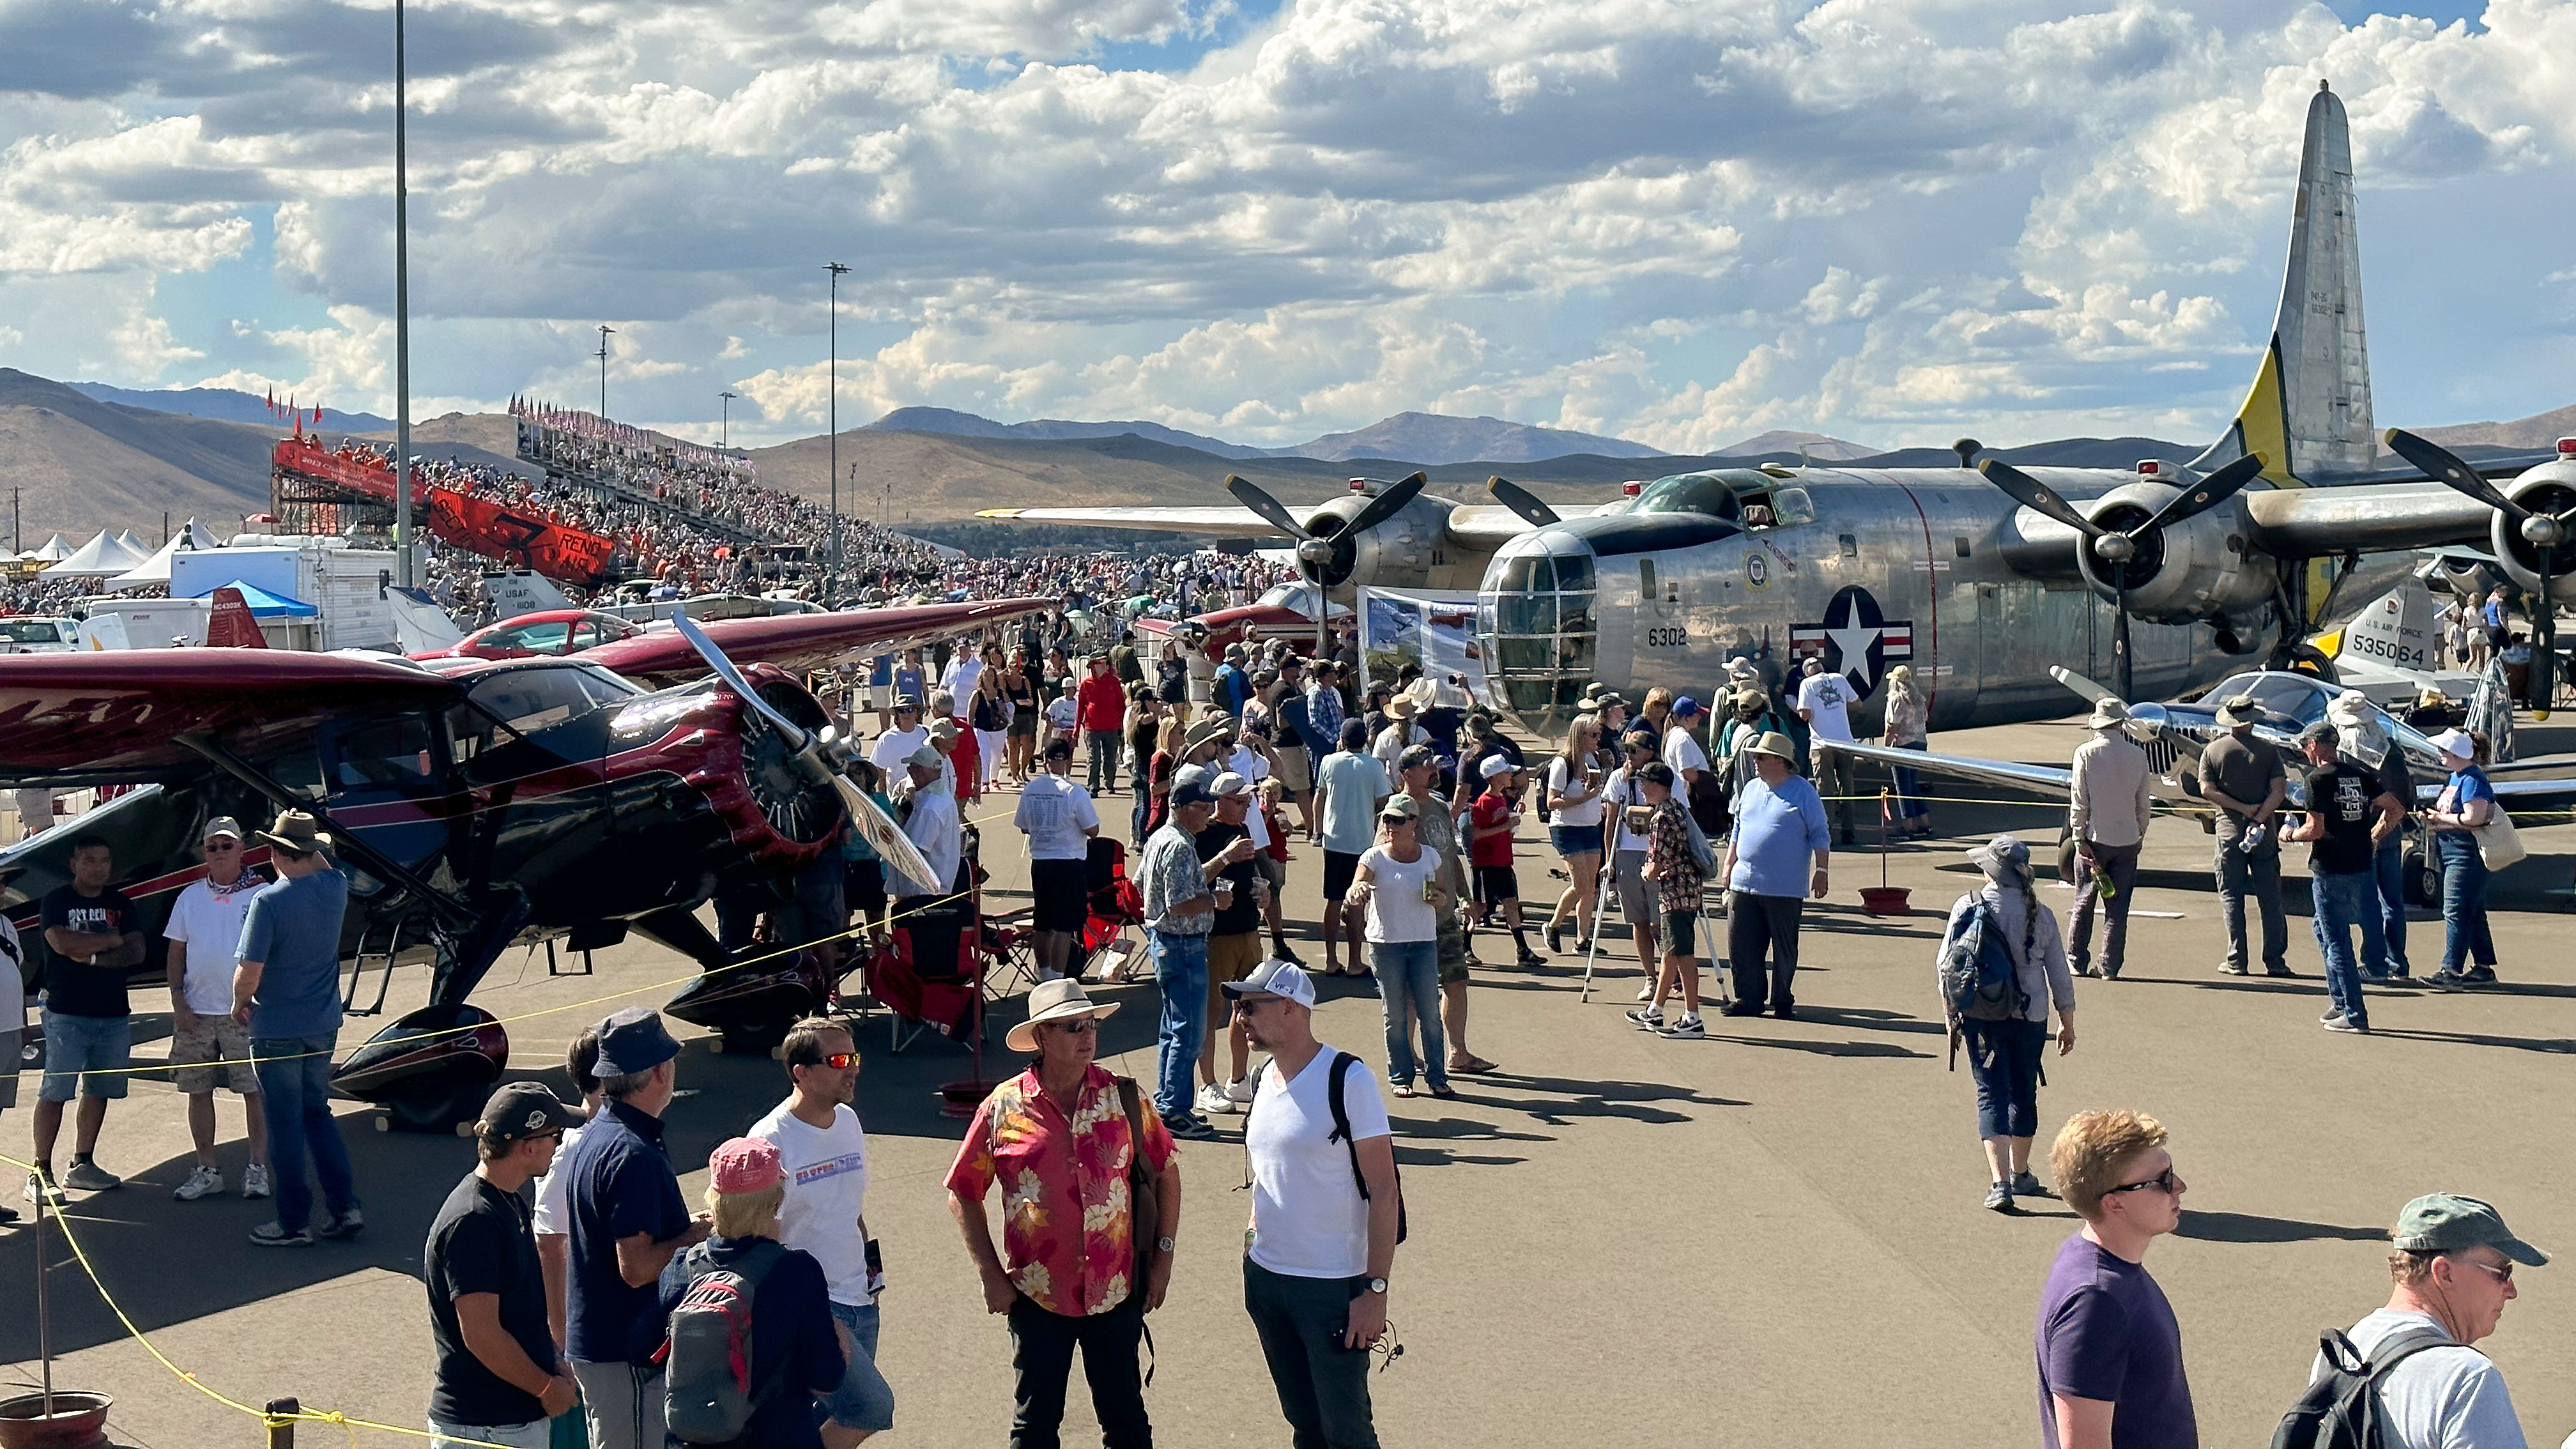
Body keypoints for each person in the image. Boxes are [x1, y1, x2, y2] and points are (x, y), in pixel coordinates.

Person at [944, 979, 1180, 1449]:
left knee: (1127, 1422)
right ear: (1041, 1037)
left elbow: (1167, 1174)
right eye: (1073, 1027)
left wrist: (1162, 1262)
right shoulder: (1003, 1106)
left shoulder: (1125, 1098)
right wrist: (990, 1274)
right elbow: (963, 1191)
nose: (1087, 1035)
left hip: (1116, 1289)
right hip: (1037, 1293)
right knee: (1034, 1426)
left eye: (1090, 1024)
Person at [1227, 960, 1400, 1449]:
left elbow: (1385, 1191)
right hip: (1267, 1280)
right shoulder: (1262, 1079)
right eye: (1240, 1007)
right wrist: (1250, 1248)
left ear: (1290, 1008)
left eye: (1250, 1006)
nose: (1241, 1018)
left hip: (1331, 1290)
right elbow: (1266, 1174)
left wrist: (1376, 1291)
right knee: (1304, 1423)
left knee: (1346, 1432)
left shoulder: (1348, 1079)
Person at [561, 1008, 712, 1449]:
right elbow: (638, 1266)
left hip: (606, 1342)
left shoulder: (602, 1133)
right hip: (624, 1349)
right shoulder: (632, 1153)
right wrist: (693, 1237)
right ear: (662, 1072)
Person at [2301, 1193, 2547, 1449]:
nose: (2511, 1290)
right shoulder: (2467, 1378)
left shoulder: (2339, 1351)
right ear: (2444, 1273)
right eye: (2503, 1272)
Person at [749, 1020, 896, 1446]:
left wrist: (872, 1278)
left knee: (822, 1420)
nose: (852, 1069)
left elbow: (851, 1210)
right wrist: (801, 1313)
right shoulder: (770, 1139)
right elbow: (762, 1238)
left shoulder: (848, 1121)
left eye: (855, 1058)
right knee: (870, 1408)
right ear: (801, 1072)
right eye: (838, 1061)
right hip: (815, 1307)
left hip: (860, 1298)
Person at [657, 1137, 847, 1449]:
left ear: (714, 1198)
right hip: (781, 1436)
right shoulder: (797, 1272)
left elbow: (644, 1349)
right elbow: (826, 1376)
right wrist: (841, 1345)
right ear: (774, 1201)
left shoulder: (683, 1267)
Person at [424, 1082, 581, 1449]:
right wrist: (544, 1387)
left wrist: (550, 1362)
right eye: (554, 1136)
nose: (558, 1146)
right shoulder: (474, 1221)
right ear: (527, 1146)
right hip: (485, 1430)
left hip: (506, 1421)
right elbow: (482, 1334)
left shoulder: (506, 1201)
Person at [234, 811, 358, 1246]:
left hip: (278, 1027)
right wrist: (312, 844)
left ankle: (293, 1221)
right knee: (317, 1113)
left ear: (274, 854)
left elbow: (249, 971)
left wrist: (239, 1002)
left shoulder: (269, 902)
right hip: (321, 1023)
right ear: (312, 852)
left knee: (285, 1125)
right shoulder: (334, 887)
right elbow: (324, 865)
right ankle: (344, 1206)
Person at [2036, 1110, 2194, 1449]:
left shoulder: (2106, 1266)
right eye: (2163, 1180)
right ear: (2114, 1203)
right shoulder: (2094, 1302)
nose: (2180, 1187)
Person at [1936, 836, 2076, 1211]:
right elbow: (2059, 972)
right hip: (2031, 1015)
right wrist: (2068, 1019)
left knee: (1990, 1091)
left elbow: (1946, 965)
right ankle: (2021, 1172)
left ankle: (1999, 1184)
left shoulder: (1968, 905)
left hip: (1982, 1013)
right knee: (2023, 1090)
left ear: (1991, 871)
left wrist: (1950, 1014)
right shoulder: (2041, 913)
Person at [163, 816, 271, 1202]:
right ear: (204, 853)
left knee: (254, 1090)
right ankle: (207, 1168)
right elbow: (176, 951)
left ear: (242, 849)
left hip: (246, 1011)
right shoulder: (189, 897)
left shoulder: (262, 894)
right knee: (198, 1090)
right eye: (213, 847)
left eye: (228, 846)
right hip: (197, 1012)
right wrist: (178, 1000)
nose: (221, 853)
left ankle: (257, 1168)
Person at [32, 834, 145, 1200]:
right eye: (90, 861)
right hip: (67, 1012)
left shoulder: (121, 903)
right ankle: (40, 1171)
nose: (99, 868)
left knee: (100, 1090)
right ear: (74, 865)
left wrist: (96, 955)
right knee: (56, 1091)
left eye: (105, 861)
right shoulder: (57, 901)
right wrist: (110, 939)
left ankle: (82, 1163)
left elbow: (137, 951)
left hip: (112, 1014)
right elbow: (63, 944)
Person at [1141, 778, 1252, 1140]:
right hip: (1181, 943)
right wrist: (1213, 902)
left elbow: (1144, 882)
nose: (1209, 815)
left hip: (1166, 942)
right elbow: (1178, 903)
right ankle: (1174, 1109)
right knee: (1188, 1032)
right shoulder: (1177, 846)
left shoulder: (1162, 838)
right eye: (1204, 808)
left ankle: (1167, 1103)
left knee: (1172, 1028)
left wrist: (1217, 865)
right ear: (1184, 809)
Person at [2288, 720, 2402, 1034]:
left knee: (2336, 939)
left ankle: (2354, 1012)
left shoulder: (2317, 780)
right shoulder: (2359, 776)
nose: (2305, 752)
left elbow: (2315, 829)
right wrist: (2373, 836)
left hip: (2331, 868)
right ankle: (2340, 1001)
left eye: (2305, 746)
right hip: (2361, 865)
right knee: (2323, 930)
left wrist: (2290, 835)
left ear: (2313, 745)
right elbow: (2395, 808)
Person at [1393, 744, 1492, 1076]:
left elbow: (1450, 855)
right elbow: (1383, 852)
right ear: (1406, 774)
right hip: (1413, 915)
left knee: (1456, 981)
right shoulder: (1398, 809)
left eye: (1433, 766)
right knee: (1411, 992)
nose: (1433, 771)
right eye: (1425, 767)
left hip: (1445, 913)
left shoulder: (1438, 805)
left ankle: (1458, 1052)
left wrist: (1465, 897)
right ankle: (1407, 1055)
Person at [1346, 795, 1453, 1099]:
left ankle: (1437, 1076)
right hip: (1386, 944)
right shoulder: (1374, 857)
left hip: (1423, 942)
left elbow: (1443, 892)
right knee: (1395, 1014)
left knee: (1429, 1012)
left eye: (1398, 820)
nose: (1390, 825)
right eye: (1387, 820)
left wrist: (1440, 899)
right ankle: (1401, 1076)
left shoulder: (1430, 857)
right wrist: (1358, 891)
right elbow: (1356, 886)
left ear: (1414, 824)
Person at [1718, 732, 1829, 1020]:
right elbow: (1738, 829)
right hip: (1745, 882)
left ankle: (1782, 999)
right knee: (1741, 943)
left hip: (1784, 886)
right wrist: (1729, 863)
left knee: (1784, 947)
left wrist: (1822, 870)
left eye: (1761, 757)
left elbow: (1820, 833)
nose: (1755, 761)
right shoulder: (1752, 788)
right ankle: (1749, 997)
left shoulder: (1804, 792)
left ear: (1781, 762)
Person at [1194, 772, 1270, 1117]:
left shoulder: (1243, 831)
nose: (1246, 806)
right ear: (1219, 801)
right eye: (1239, 801)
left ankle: (1237, 1078)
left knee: (1247, 1009)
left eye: (1248, 801)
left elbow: (1251, 874)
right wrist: (1225, 857)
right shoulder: (1202, 834)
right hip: (1216, 936)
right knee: (1210, 1014)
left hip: (1247, 930)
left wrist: (1262, 890)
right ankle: (1206, 1084)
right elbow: (1193, 879)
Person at [2200, 694, 2290, 977]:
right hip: (2263, 833)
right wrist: (2261, 814)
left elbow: (2206, 789)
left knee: (2231, 896)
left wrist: (2240, 808)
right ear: (2252, 720)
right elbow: (2279, 791)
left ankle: (2237, 959)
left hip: (2229, 830)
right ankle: (2275, 960)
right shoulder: (2268, 752)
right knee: (2270, 898)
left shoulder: (2214, 751)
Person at [2329, 693, 2414, 981]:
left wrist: (2371, 835)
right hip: (2392, 828)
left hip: (2361, 834)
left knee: (2368, 902)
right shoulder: (2390, 748)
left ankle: (2376, 963)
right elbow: (2405, 795)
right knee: (2393, 901)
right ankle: (2397, 962)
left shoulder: (2348, 755)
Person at [2066, 698, 2152, 981]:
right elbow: (2143, 803)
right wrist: (2140, 833)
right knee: (2117, 909)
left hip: (2096, 838)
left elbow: (2080, 801)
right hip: (2127, 839)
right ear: (2120, 724)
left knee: (2084, 902)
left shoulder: (2086, 753)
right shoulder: (2138, 755)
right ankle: (2109, 966)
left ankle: (2077, 961)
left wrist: (2079, 837)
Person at [1623, 762, 1709, 1039]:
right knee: (1671, 952)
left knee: (1683, 954)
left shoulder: (1660, 818)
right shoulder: (1676, 810)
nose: (1641, 788)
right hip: (1686, 890)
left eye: (1645, 783)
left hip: (1675, 893)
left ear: (1658, 786)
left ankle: (1692, 1017)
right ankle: (1656, 1010)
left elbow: (1656, 864)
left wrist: (1645, 872)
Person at [531, 1028, 603, 1354]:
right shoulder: (569, 1149)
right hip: (585, 1327)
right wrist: (561, 1338)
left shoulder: (616, 1136)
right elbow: (550, 1243)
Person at [2419, 727, 2501, 988]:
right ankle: (2483, 968)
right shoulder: (2458, 777)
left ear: (2457, 753)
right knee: (2472, 910)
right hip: (2453, 850)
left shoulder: (2472, 780)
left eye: (2444, 750)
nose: (2440, 754)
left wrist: (2440, 818)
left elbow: (2474, 817)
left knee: (2455, 910)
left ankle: (2451, 970)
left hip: (2466, 855)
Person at [1016, 737, 1101, 983]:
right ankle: (1057, 978)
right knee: (1064, 927)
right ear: (1069, 762)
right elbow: (1092, 829)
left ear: (1044, 760)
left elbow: (1023, 826)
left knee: (1043, 923)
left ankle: (1044, 975)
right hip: (1068, 862)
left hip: (1041, 861)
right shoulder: (1074, 791)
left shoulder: (1031, 789)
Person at [1315, 719, 1392, 978]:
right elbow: (1383, 801)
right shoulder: (1374, 767)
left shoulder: (1329, 762)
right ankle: (1354, 961)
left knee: (1334, 900)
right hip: (1362, 841)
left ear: (1343, 739)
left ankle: (1330, 959)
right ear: (1365, 740)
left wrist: (1317, 829)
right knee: (1357, 901)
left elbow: (1320, 796)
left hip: (1334, 839)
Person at [892, 745, 967, 982]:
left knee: (921, 958)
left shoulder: (932, 807)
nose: (910, 772)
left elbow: (917, 852)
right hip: (933, 888)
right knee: (931, 955)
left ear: (921, 771)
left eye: (913, 768)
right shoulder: (938, 798)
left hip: (922, 893)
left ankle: (921, 996)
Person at [1598, 728, 1662, 995]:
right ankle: (1650, 976)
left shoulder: (1664, 778)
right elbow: (1611, 821)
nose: (1629, 756)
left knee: (1660, 920)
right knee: (1638, 920)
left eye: (1634, 751)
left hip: (1657, 853)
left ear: (1649, 752)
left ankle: (1674, 968)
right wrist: (1609, 860)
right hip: (1627, 852)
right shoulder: (1619, 779)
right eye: (1627, 751)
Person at [1540, 714, 1607, 955]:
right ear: (1580, 736)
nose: (1598, 739)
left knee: (1591, 888)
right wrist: (1583, 798)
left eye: (1599, 734)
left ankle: (1582, 939)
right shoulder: (1563, 763)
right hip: (1567, 829)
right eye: (1594, 735)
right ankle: (1553, 925)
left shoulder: (1592, 759)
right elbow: (1552, 802)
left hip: (1590, 827)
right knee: (1581, 885)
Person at [1468, 753, 1542, 969]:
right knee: (1480, 907)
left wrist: (1512, 820)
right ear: (1495, 776)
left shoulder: (1501, 798)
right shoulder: (1484, 802)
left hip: (1502, 862)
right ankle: (1465, 946)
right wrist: (1506, 826)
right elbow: (1477, 834)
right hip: (1486, 865)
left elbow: (1503, 831)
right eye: (1507, 772)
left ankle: (1523, 950)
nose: (1511, 775)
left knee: (1511, 904)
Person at [1794, 656, 1860, 845]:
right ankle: (1849, 831)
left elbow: (1805, 715)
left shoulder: (1807, 684)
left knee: (1826, 789)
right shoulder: (1839, 679)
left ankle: (1827, 830)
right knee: (1847, 785)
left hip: (1822, 744)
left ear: (1807, 671)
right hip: (1846, 742)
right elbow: (1857, 703)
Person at [1881, 664, 1932, 836]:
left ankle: (1908, 825)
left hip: (1903, 744)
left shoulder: (1897, 699)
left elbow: (1892, 727)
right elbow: (1926, 718)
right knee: (1913, 785)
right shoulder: (1919, 699)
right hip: (1920, 743)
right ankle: (1924, 822)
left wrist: (1886, 751)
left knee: (1903, 787)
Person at [0, 862, 24, 1225]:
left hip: (8, 1031)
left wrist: (23, 1021)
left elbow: (17, 970)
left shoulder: (6, 925)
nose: (2, 888)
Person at [1077, 655, 1128, 794]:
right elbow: (1081, 706)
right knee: (1094, 758)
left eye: (1106, 663)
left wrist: (1124, 725)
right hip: (1092, 727)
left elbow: (1120, 704)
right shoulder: (1086, 683)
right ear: (1093, 666)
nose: (1105, 666)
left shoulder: (1113, 682)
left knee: (1110, 758)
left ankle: (1109, 782)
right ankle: (1093, 785)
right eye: (1101, 663)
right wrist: (1076, 730)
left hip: (1112, 726)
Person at [868, 695, 930, 775]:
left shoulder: (926, 733)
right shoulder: (887, 738)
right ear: (897, 714)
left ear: (916, 713)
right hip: (897, 787)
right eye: (902, 711)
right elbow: (878, 769)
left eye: (910, 710)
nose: (906, 714)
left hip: (925, 787)